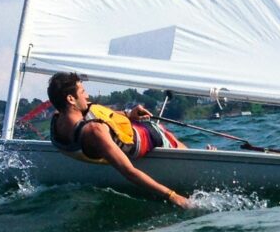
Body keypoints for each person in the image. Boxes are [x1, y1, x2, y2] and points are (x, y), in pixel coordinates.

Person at [47, 71, 191, 209]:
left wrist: (128, 114)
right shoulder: (95, 131)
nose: (87, 95)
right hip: (146, 136)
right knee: (169, 137)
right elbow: (129, 172)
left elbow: (103, 115)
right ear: (71, 99)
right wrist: (172, 196)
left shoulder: (57, 121)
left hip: (125, 127)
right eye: (83, 92)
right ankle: (207, 155)